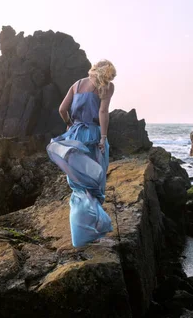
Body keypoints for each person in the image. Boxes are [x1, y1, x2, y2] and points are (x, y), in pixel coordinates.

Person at [47, 59, 117, 248]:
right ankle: (92, 232)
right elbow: (103, 112)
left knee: (78, 186)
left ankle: (80, 236)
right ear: (107, 74)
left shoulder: (77, 84)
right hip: (93, 136)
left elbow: (62, 109)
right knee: (95, 182)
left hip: (74, 135)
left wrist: (70, 124)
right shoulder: (107, 87)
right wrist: (103, 138)